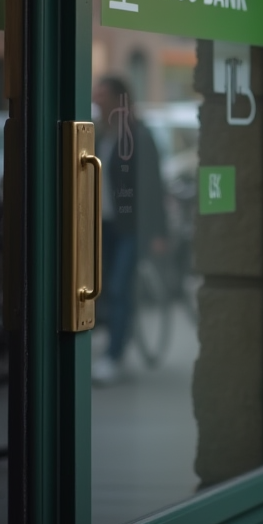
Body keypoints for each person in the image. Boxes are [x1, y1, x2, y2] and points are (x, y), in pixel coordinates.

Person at [91, 76, 168, 385]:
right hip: (103, 226)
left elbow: (152, 186)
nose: (97, 98)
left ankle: (113, 356)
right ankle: (116, 341)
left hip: (129, 227)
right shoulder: (100, 135)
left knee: (121, 287)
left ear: (119, 98)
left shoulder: (138, 134)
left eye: (103, 93)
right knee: (107, 288)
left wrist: (158, 232)